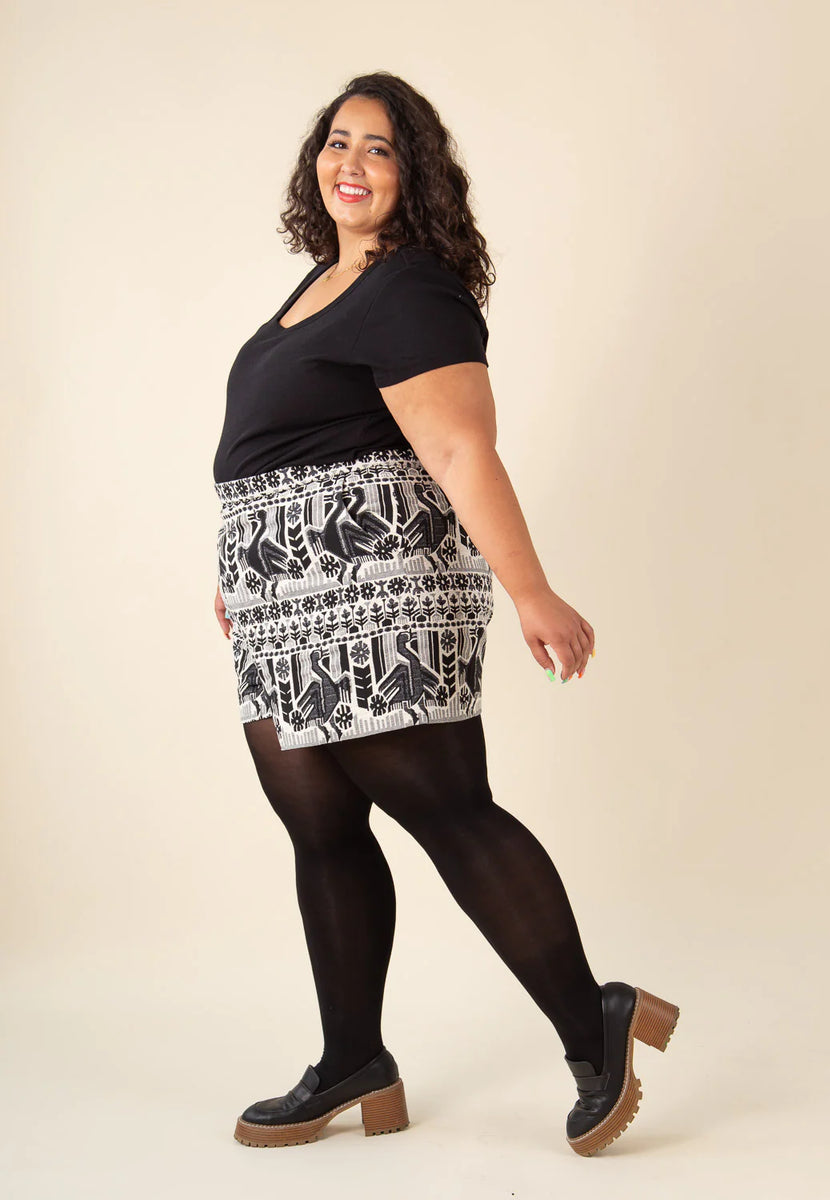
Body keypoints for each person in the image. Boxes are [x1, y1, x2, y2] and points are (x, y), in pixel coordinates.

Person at [212, 71, 679, 1157]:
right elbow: (275, 447)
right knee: (320, 826)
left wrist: (531, 590)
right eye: (338, 142)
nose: (351, 164)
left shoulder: (411, 288)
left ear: (413, 176)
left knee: (448, 808)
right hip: (286, 599)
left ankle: (594, 1025)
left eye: (379, 149)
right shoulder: (321, 287)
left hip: (374, 593)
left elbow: (462, 448)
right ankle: (353, 1059)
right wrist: (242, 563)